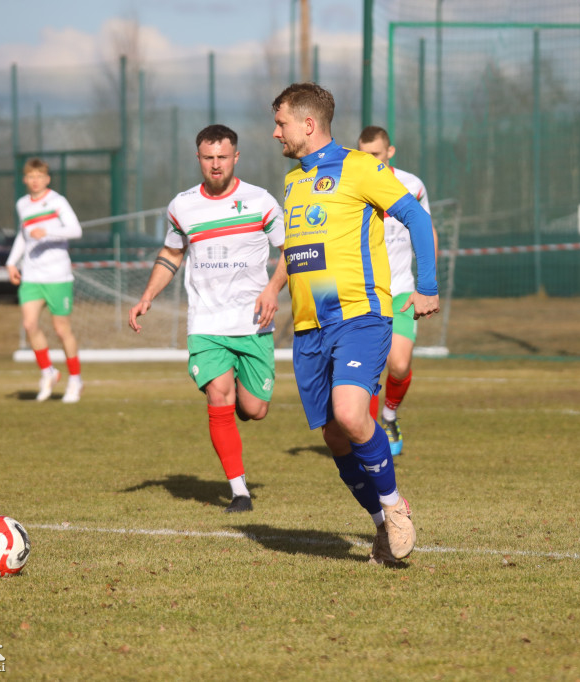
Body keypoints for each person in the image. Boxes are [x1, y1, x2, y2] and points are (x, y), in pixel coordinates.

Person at [272, 83, 439, 565]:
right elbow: (301, 249)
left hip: (360, 315)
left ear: (307, 124)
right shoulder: (293, 180)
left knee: (351, 413)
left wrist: (425, 286)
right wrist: (272, 288)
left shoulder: (361, 166)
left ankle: (395, 506)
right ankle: (380, 525)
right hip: (309, 325)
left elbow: (416, 219)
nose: (275, 132)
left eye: (281, 122)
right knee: (333, 435)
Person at [128, 124, 287, 513]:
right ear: (198, 159)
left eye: (222, 157)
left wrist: (272, 289)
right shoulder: (182, 206)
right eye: (208, 157)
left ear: (236, 158)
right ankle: (239, 491)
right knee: (219, 394)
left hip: (252, 322)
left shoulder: (261, 201)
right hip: (207, 324)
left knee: (254, 409)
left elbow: (292, 252)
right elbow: (172, 254)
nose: (215, 165)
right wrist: (147, 294)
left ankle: (236, 399)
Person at [357, 125, 436, 456]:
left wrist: (427, 285)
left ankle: (389, 414)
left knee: (399, 365)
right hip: (362, 292)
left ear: (389, 153)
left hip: (401, 290)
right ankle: (371, 436)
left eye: (375, 154)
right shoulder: (353, 182)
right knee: (370, 369)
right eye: (363, 154)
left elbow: (426, 230)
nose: (368, 159)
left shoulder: (411, 185)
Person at [7, 158, 84, 403]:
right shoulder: (22, 205)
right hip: (31, 275)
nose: (35, 180)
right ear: (25, 179)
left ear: (47, 179)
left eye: (40, 175)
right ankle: (48, 372)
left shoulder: (57, 201)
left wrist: (49, 231)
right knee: (29, 325)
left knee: (62, 330)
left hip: (57, 275)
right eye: (31, 176)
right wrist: (11, 262)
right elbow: (23, 235)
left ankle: (75, 379)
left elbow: (75, 230)